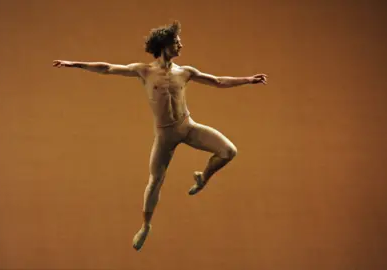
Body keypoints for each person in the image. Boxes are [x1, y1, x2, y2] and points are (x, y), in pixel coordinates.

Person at [52, 20, 268, 251]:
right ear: (164, 45)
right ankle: (145, 226)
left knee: (228, 151)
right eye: (176, 42)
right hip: (165, 136)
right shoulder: (144, 71)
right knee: (155, 181)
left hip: (188, 127)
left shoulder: (185, 72)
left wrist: (247, 80)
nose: (180, 45)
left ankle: (203, 177)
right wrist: (74, 64)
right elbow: (107, 68)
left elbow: (217, 81)